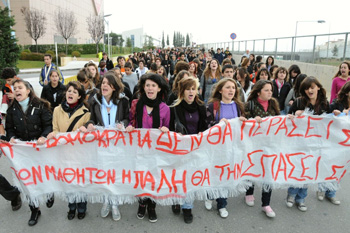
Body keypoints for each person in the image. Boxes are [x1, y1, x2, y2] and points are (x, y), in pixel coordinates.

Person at [5, 79, 52, 226]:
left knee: (43, 175)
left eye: (20, 87)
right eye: (15, 88)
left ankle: (50, 192)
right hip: (23, 152)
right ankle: (34, 209)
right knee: (27, 181)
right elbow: (10, 128)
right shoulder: (11, 109)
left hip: (40, 149)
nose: (16, 90)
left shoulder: (41, 105)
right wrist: (11, 137)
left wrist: (43, 136)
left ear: (28, 90)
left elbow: (49, 125)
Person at [126, 73, 170, 223]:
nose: (150, 88)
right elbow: (131, 121)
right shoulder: (136, 103)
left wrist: (165, 130)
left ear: (159, 88)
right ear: (143, 88)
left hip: (156, 151)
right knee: (141, 177)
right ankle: (142, 203)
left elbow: (167, 129)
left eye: (153, 85)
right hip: (139, 149)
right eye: (147, 85)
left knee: (154, 178)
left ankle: (152, 206)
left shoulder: (165, 108)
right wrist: (130, 127)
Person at [85, 73, 129, 221]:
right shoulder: (95, 101)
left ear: (114, 87)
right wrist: (90, 124)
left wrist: (122, 124)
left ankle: (115, 203)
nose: (104, 86)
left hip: (117, 145)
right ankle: (106, 201)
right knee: (104, 173)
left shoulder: (123, 101)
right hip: (101, 144)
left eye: (108, 84)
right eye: (103, 83)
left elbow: (127, 119)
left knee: (115, 173)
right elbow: (92, 119)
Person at [46, 81, 90, 220]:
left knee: (80, 182)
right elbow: (55, 129)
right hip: (63, 152)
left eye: (75, 92)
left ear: (79, 96)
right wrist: (57, 136)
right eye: (69, 90)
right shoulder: (57, 110)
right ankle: (71, 207)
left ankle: (82, 207)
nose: (71, 93)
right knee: (69, 181)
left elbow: (86, 135)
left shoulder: (85, 113)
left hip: (79, 153)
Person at [286, 76, 331, 212]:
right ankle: (291, 195)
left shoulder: (324, 104)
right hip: (300, 142)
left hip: (316, 143)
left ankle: (301, 199)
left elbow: (330, 123)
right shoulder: (299, 102)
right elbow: (287, 119)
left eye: (312, 87)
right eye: (306, 88)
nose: (309, 91)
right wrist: (295, 114)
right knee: (298, 168)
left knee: (309, 170)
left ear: (318, 87)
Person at [205, 78, 246, 218]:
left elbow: (244, 127)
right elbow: (207, 126)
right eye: (228, 87)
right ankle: (210, 195)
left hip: (232, 148)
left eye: (233, 88)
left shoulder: (239, 107)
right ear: (220, 90)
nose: (231, 90)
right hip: (216, 147)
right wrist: (217, 123)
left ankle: (222, 204)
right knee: (215, 173)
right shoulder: (213, 106)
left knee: (226, 174)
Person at [169, 77, 208, 224]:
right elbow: (170, 128)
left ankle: (187, 207)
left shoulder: (201, 107)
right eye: (188, 89)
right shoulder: (174, 108)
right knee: (178, 176)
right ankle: (176, 200)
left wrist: (201, 135)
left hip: (195, 149)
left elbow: (205, 127)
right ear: (182, 92)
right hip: (179, 148)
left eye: (194, 88)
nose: (191, 91)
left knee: (189, 178)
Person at [244, 79, 280, 218]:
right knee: (252, 168)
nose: (270, 92)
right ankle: (249, 192)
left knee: (268, 173)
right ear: (259, 92)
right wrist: (253, 120)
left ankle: (266, 203)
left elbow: (279, 121)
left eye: (271, 90)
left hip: (269, 145)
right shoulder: (250, 104)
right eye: (266, 90)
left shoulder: (274, 104)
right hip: (253, 145)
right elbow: (243, 121)